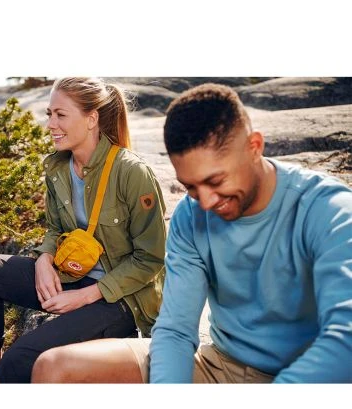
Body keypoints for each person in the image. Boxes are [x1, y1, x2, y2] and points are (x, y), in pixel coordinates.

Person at [31, 82, 352, 384]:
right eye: (192, 187)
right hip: (220, 365)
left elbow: (344, 338)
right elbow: (176, 330)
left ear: (254, 147)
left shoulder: (328, 210)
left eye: (216, 181)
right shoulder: (191, 214)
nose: (207, 202)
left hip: (314, 374)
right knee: (54, 367)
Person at [0, 77, 166, 383]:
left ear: (91, 119)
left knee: (20, 360)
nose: (50, 124)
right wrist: (44, 259)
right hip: (72, 276)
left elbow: (151, 259)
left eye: (60, 115)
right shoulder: (58, 167)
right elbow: (56, 228)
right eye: (49, 114)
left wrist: (85, 296)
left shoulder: (132, 172)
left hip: (121, 300)